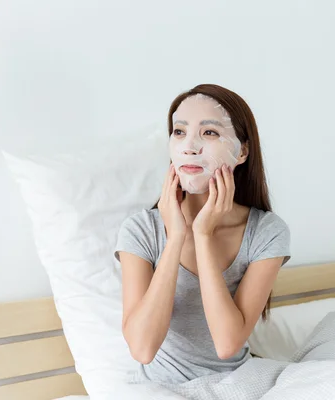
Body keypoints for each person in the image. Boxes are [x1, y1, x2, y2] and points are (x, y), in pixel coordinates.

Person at [114, 84, 290, 385]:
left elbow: (227, 344)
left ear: (242, 151)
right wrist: (176, 237)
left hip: (238, 383)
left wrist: (203, 235)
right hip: (160, 389)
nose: (189, 147)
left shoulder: (267, 232)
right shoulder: (141, 230)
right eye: (179, 132)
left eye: (209, 133)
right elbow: (142, 349)